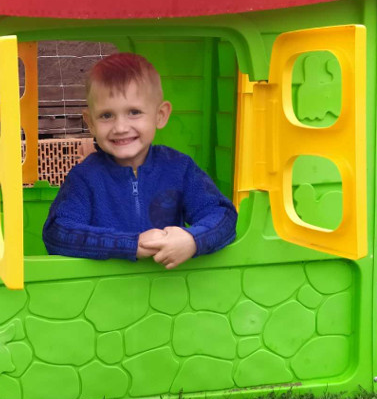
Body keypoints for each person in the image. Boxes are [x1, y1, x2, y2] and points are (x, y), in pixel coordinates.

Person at [42, 53, 237, 269]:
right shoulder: (85, 177)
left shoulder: (179, 168)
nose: (120, 127)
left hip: (170, 285)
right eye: (106, 115)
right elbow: (57, 232)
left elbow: (224, 216)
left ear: (160, 115)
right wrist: (131, 244)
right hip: (106, 287)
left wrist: (192, 240)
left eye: (134, 112)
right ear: (91, 123)